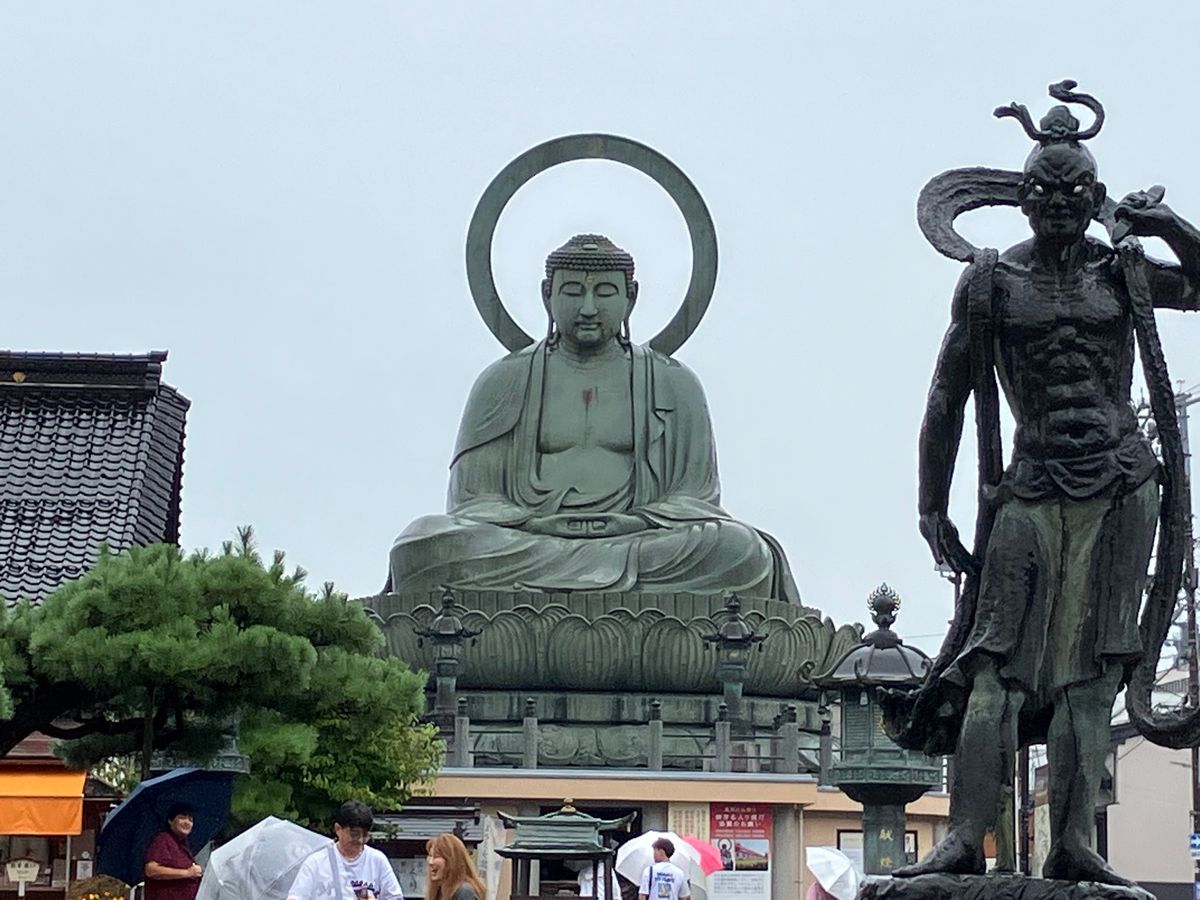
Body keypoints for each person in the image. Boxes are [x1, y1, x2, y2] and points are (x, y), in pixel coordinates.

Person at [897, 85, 1200, 883]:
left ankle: (1074, 840)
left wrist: (1169, 227)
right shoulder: (994, 283)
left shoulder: (1126, 274)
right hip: (1029, 488)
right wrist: (931, 503)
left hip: (1118, 482)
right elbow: (947, 395)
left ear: (1096, 199)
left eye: (1075, 194)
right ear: (1023, 200)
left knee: (1094, 673)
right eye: (1045, 193)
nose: (1061, 205)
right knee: (992, 666)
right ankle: (967, 833)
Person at [388, 234, 797, 600]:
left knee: (741, 551)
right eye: (571, 292)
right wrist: (537, 525)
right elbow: (474, 499)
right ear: (547, 294)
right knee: (424, 544)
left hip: (641, 542)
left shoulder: (674, 383)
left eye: (604, 293)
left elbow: (694, 498)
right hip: (526, 540)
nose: (587, 308)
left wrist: (632, 524)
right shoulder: (504, 381)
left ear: (630, 297)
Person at [287, 801, 403, 900]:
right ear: (338, 829)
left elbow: (395, 896)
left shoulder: (377, 860)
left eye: (365, 835)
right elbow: (296, 896)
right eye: (355, 834)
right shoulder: (316, 862)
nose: (360, 840)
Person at [144, 803, 202, 900]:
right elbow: (151, 870)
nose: (187, 822)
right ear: (170, 821)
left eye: (191, 820)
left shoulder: (184, 846)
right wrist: (187, 873)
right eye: (182, 818)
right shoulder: (163, 839)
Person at [424, 832, 485, 900]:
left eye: (436, 856)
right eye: (430, 855)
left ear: (452, 861)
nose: (430, 862)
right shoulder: (439, 891)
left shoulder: (464, 892)